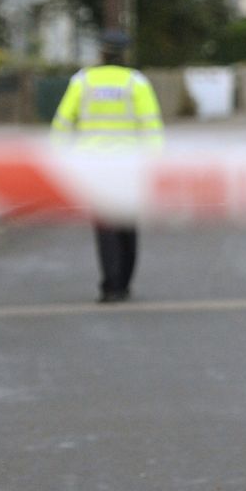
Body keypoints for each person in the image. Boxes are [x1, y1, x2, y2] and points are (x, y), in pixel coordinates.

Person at [51, 30, 162, 303]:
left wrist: (57, 158)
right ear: (124, 54)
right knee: (127, 225)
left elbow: (63, 122)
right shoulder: (136, 82)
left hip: (95, 165)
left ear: (100, 52)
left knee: (105, 228)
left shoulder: (82, 81)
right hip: (130, 164)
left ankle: (110, 286)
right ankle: (124, 282)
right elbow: (151, 126)